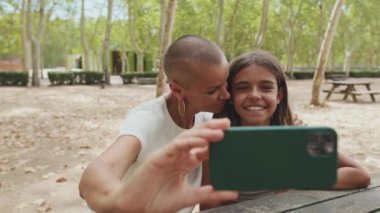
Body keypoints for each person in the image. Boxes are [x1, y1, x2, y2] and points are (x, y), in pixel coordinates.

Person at [79, 35, 233, 213]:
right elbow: (99, 172)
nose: (226, 95)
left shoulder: (208, 119)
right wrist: (120, 202)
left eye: (225, 84)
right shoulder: (145, 119)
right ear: (176, 89)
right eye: (212, 90)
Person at [202, 50, 371, 209]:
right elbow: (207, 206)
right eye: (242, 88)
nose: (254, 95)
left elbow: (360, 175)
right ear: (231, 95)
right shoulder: (218, 141)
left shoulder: (298, 135)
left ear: (279, 95)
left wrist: (295, 178)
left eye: (266, 87)